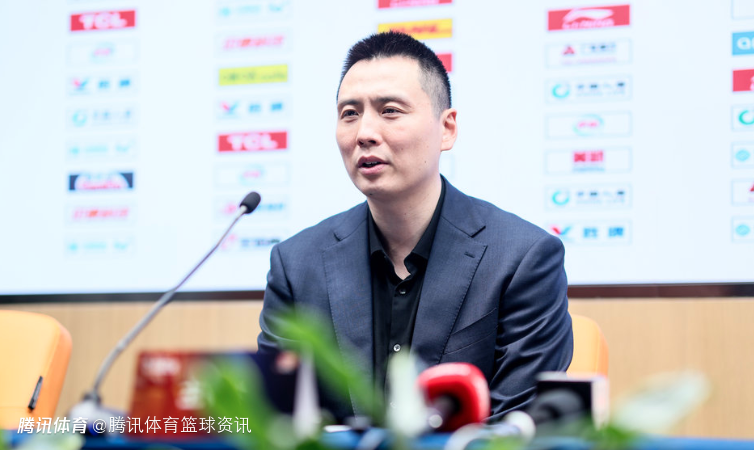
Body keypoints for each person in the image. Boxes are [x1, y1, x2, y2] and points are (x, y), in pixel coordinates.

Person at [257, 31, 573, 422]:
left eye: (389, 110)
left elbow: (519, 425)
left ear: (447, 129)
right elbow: (275, 423)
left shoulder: (522, 258)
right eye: (350, 113)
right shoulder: (295, 265)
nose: (364, 133)